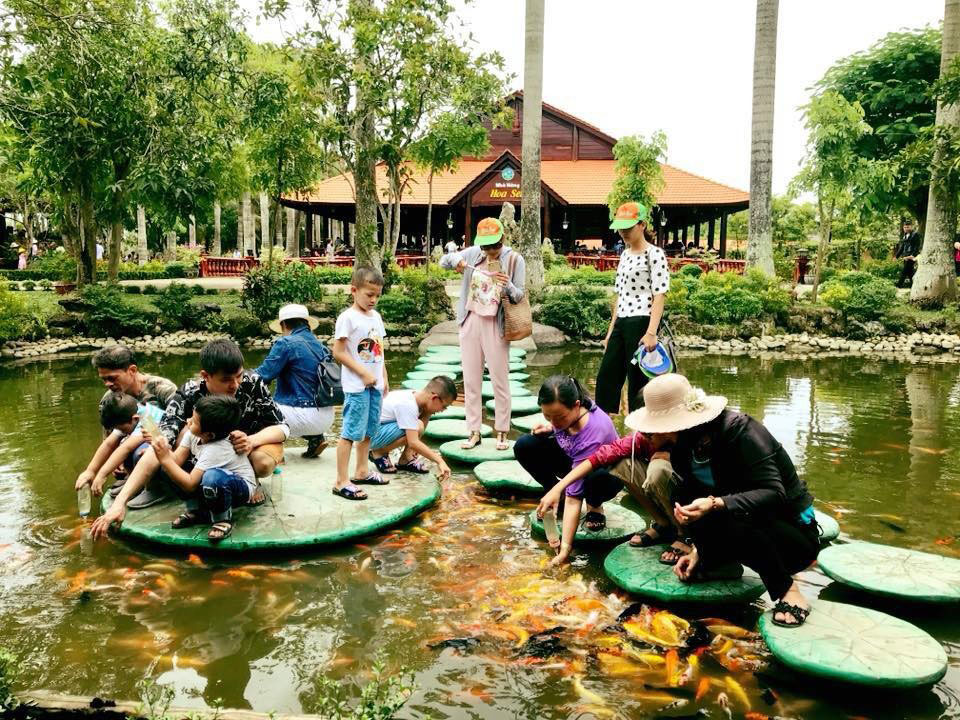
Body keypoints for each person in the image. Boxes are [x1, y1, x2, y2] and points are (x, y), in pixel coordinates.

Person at [624, 373, 819, 627]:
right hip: (748, 529)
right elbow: (700, 496)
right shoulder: (682, 447)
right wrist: (700, 551)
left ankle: (789, 591)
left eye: (650, 427)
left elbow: (773, 493)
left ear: (671, 425)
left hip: (791, 535)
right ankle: (719, 563)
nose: (644, 433)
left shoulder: (742, 432)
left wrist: (716, 503)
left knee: (731, 513)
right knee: (683, 498)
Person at [89, 339, 288, 536]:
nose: (235, 385)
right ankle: (196, 501)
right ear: (205, 376)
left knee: (262, 462)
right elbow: (160, 445)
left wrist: (252, 441)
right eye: (226, 380)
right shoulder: (189, 394)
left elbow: (282, 427)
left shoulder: (253, 383)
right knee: (181, 437)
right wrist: (120, 503)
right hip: (210, 453)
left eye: (239, 376)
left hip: (248, 449)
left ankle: (251, 481)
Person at [440, 218, 526, 451]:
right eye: (486, 246)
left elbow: (519, 295)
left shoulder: (514, 259)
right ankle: (474, 431)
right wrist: (456, 260)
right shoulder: (473, 254)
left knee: (500, 379)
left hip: (496, 324)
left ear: (503, 239)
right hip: (470, 320)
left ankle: (502, 431)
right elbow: (444, 261)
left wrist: (506, 284)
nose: (490, 251)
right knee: (470, 380)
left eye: (494, 245)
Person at [517, 376, 621, 567]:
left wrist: (565, 549)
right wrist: (550, 428)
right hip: (575, 459)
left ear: (576, 405)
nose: (554, 421)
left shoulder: (593, 431)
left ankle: (595, 506)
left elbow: (575, 498)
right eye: (548, 416)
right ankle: (559, 496)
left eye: (559, 417)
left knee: (595, 479)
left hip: (605, 475)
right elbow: (559, 423)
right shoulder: (567, 414)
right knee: (525, 445)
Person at [596, 201, 670, 416]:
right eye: (621, 228)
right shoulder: (625, 255)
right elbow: (620, 296)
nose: (624, 232)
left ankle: (641, 430)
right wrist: (610, 333)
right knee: (606, 378)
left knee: (638, 381)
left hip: (642, 321)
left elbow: (659, 295)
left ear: (642, 225)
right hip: (622, 321)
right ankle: (603, 427)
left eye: (628, 228)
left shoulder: (654, 254)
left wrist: (651, 332)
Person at [151, 395, 258, 543]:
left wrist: (165, 459)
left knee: (212, 477)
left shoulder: (217, 449)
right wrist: (158, 443)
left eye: (194, 421)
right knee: (168, 469)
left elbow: (190, 485)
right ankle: (198, 511)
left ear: (209, 434)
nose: (188, 421)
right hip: (211, 485)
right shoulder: (193, 434)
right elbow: (175, 461)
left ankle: (222, 518)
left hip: (237, 488)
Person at [333, 266, 389, 500]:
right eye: (369, 294)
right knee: (350, 432)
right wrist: (363, 373)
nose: (373, 300)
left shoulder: (376, 317)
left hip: (375, 385)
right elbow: (338, 352)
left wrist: (384, 376)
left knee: (368, 430)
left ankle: (362, 470)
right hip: (357, 386)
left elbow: (379, 350)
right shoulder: (347, 318)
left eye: (377, 295)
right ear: (354, 290)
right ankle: (341, 480)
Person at [255, 304, 333, 459]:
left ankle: (273, 452)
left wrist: (238, 375)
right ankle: (316, 438)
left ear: (283, 324)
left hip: (301, 417)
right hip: (326, 417)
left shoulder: (286, 343)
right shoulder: (322, 347)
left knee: (256, 408)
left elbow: (262, 376)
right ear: (307, 324)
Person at [75, 392, 166, 498]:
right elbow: (109, 444)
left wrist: (102, 475)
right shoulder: (129, 414)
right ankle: (134, 484)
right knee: (123, 445)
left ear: (135, 419)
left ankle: (153, 491)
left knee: (138, 452)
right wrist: (90, 471)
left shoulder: (147, 417)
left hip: (170, 453)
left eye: (123, 429)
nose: (123, 432)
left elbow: (126, 448)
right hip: (156, 446)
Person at [369, 376, 456, 477]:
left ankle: (405, 459)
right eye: (444, 406)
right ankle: (378, 452)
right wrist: (440, 461)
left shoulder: (419, 398)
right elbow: (413, 442)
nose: (443, 410)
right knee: (417, 426)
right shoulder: (408, 404)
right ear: (434, 398)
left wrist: (415, 448)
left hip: (381, 428)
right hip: (370, 437)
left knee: (419, 422)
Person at [92, 345, 177, 411]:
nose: (107, 384)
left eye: (112, 378)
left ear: (132, 370)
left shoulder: (163, 389)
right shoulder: (108, 401)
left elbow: (182, 423)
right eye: (104, 379)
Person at [895, 219, 922, 288]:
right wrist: (896, 256)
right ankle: (914, 285)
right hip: (905, 256)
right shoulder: (905, 235)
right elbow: (902, 247)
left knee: (904, 271)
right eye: (905, 227)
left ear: (911, 227)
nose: (906, 228)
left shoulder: (915, 234)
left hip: (911, 257)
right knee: (909, 272)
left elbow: (917, 246)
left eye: (908, 227)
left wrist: (912, 255)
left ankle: (898, 285)